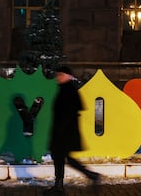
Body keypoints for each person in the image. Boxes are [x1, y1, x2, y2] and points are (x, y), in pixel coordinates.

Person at [44, 66, 100, 195]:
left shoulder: (68, 91)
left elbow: (68, 114)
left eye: (61, 75)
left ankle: (60, 186)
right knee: (64, 158)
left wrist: (60, 131)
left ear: (68, 76)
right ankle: (89, 176)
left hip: (64, 133)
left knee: (60, 158)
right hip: (65, 132)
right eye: (58, 75)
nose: (58, 77)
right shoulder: (66, 89)